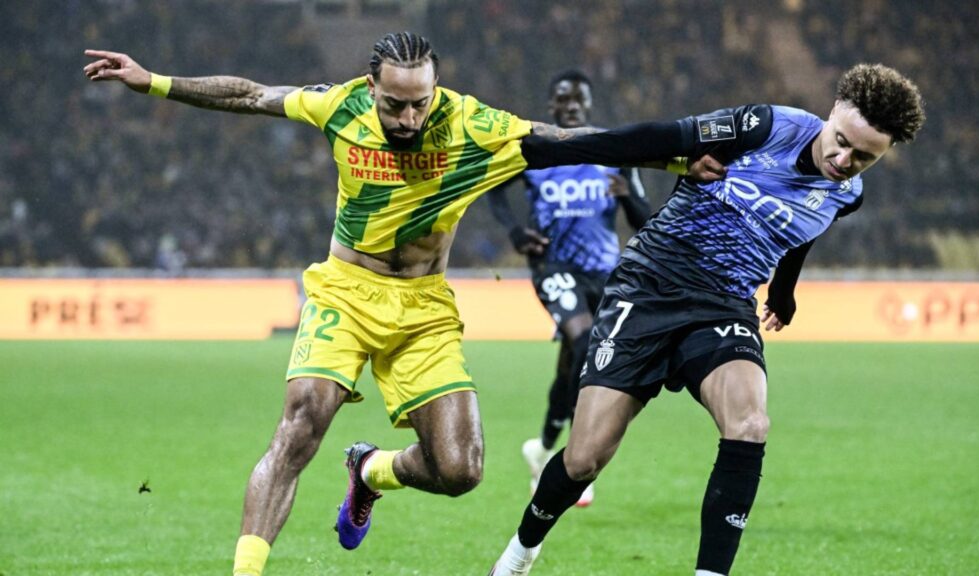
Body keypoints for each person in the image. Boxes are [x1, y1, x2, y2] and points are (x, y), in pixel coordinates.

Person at [83, 32, 722, 576]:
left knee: (460, 469)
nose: (408, 119)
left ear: (435, 89)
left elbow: (571, 139)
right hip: (345, 292)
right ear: (370, 86)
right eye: (394, 105)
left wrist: (671, 156)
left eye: (419, 104)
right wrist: (156, 82)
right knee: (301, 424)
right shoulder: (340, 105)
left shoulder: (473, 125)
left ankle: (371, 472)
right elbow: (251, 94)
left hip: (422, 308)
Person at [489, 63, 925, 575]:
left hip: (722, 303)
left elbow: (806, 224)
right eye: (841, 142)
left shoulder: (847, 194)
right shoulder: (765, 127)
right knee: (585, 459)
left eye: (863, 158)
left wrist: (784, 289)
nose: (843, 160)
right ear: (831, 112)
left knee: (750, 423)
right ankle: (520, 555)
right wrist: (546, 149)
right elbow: (656, 138)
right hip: (649, 286)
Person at [488, 69, 650, 507]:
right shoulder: (538, 151)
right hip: (553, 267)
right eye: (563, 98)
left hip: (604, 274)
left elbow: (644, 219)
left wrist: (627, 198)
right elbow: (493, 191)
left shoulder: (614, 152)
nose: (572, 105)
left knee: (569, 365)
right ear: (551, 106)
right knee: (583, 348)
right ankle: (574, 460)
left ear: (589, 106)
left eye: (579, 99)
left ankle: (541, 447)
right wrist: (516, 232)